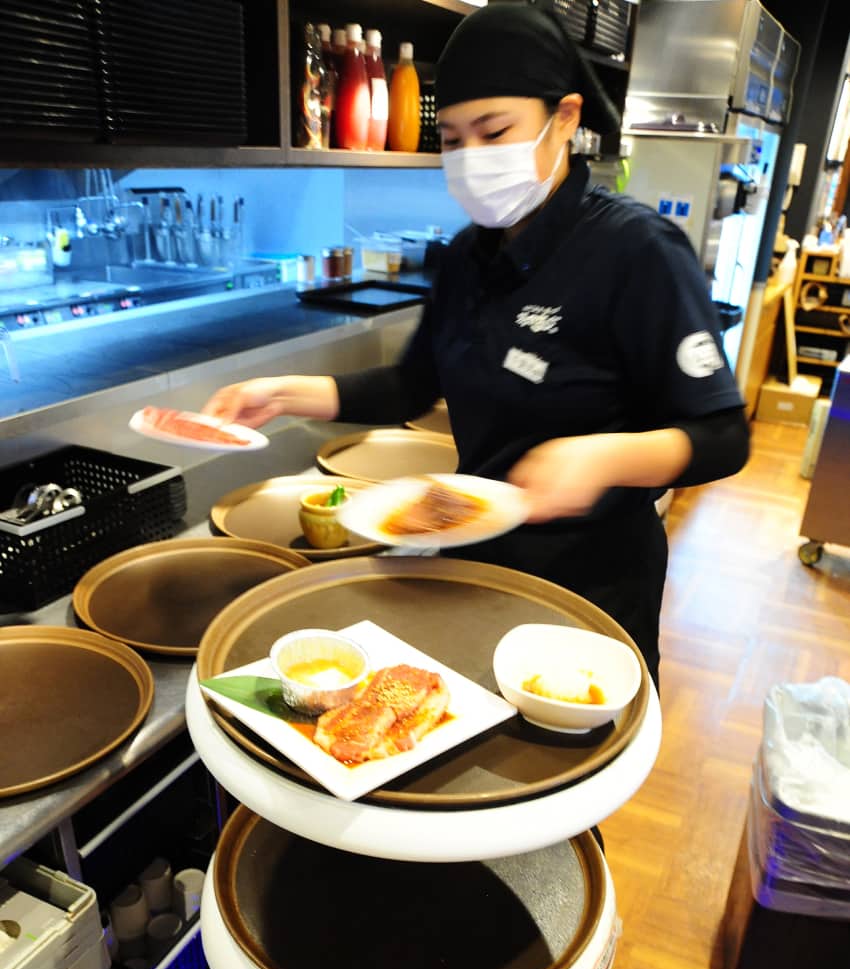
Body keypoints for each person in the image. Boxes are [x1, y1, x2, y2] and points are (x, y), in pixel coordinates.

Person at [203, 0, 749, 687]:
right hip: (470, 558)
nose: (471, 159)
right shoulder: (464, 255)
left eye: (495, 132)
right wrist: (284, 394)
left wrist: (604, 457)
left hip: (591, 583)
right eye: (454, 141)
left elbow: (725, 435)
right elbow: (411, 384)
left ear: (566, 118)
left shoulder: (636, 251)